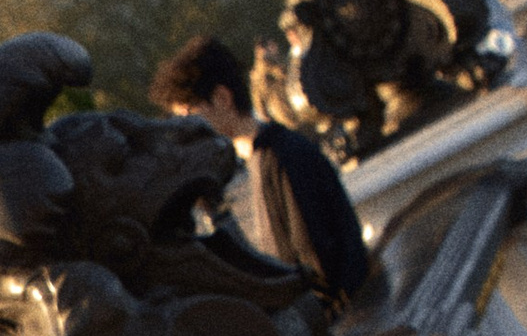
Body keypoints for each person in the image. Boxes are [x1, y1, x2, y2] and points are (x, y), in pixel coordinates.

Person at [150, 30, 372, 310]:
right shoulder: (271, 154)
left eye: (189, 115)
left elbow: (318, 270)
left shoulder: (281, 159)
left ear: (221, 98)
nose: (187, 130)